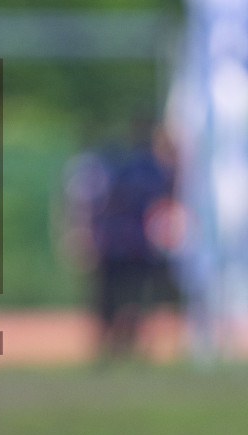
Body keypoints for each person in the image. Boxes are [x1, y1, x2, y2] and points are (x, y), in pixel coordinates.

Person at [63, 119, 175, 361]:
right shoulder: (146, 168)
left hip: (122, 243)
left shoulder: (115, 166)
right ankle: (117, 343)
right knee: (124, 297)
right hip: (130, 243)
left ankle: (118, 343)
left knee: (118, 297)